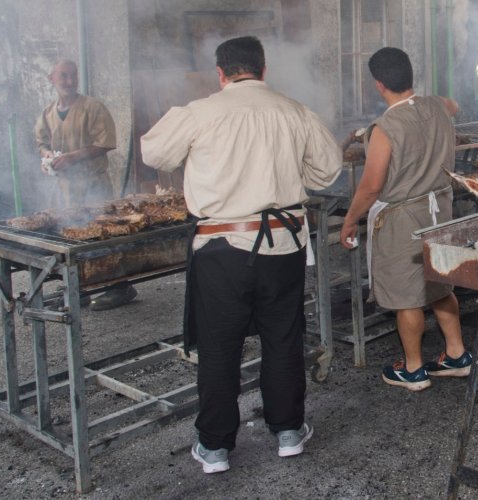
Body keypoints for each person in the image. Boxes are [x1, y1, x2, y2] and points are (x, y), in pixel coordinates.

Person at [140, 36, 341, 474]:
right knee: (283, 337)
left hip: (221, 249)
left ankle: (214, 448)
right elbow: (328, 168)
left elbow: (153, 152)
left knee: (219, 346)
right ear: (263, 70)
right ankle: (288, 432)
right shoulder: (294, 110)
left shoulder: (199, 113)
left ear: (221, 72)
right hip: (283, 245)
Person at [339, 47, 469, 392]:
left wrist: (351, 220)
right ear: (410, 76)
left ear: (378, 85)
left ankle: (413, 369)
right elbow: (453, 104)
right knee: (439, 281)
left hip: (403, 217)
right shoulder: (438, 106)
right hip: (440, 209)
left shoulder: (384, 128)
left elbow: (371, 187)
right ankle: (456, 355)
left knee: (406, 294)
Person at [34, 59, 137, 311]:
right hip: (64, 188)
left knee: (102, 233)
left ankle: (120, 286)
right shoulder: (47, 114)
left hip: (94, 183)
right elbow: (41, 142)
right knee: (71, 236)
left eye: (73, 76)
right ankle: (78, 288)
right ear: (52, 79)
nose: (69, 82)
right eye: (64, 77)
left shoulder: (92, 107)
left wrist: (72, 157)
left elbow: (106, 142)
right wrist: (47, 157)